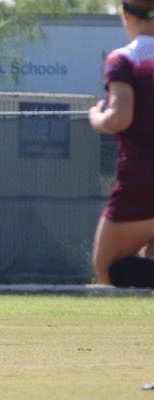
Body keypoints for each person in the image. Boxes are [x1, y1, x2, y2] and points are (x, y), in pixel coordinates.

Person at [89, 0, 154, 288]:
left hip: (143, 177)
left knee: (107, 267)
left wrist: (97, 118)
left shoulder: (123, 59)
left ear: (126, 14)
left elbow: (120, 117)